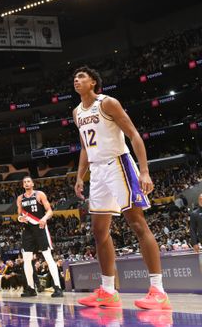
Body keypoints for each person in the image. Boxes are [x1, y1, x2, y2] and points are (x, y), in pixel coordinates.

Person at [73, 66, 170, 310]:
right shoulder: (76, 112)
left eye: (82, 77)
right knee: (98, 231)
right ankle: (107, 290)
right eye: (75, 77)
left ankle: (158, 290)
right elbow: (85, 146)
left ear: (94, 82)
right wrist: (79, 176)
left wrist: (144, 171)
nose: (76, 80)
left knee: (137, 223)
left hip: (119, 164)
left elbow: (134, 135)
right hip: (97, 171)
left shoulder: (108, 103)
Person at [16, 176, 63, 297]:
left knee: (48, 257)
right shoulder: (20, 198)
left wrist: (44, 219)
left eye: (28, 181)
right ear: (23, 185)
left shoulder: (39, 194)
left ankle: (57, 287)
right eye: (24, 182)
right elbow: (19, 215)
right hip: (27, 230)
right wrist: (20, 218)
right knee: (26, 259)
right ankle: (31, 288)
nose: (26, 183)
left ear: (32, 184)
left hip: (40, 228)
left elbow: (50, 211)